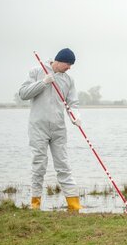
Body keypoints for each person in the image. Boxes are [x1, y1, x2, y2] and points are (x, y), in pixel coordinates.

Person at [18, 48, 82, 212]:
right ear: (59, 61)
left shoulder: (68, 80)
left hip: (58, 129)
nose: (69, 68)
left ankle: (74, 206)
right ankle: (35, 205)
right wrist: (43, 82)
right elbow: (23, 94)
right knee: (39, 165)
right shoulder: (36, 71)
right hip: (38, 127)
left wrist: (75, 116)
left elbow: (72, 103)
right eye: (68, 64)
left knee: (63, 165)